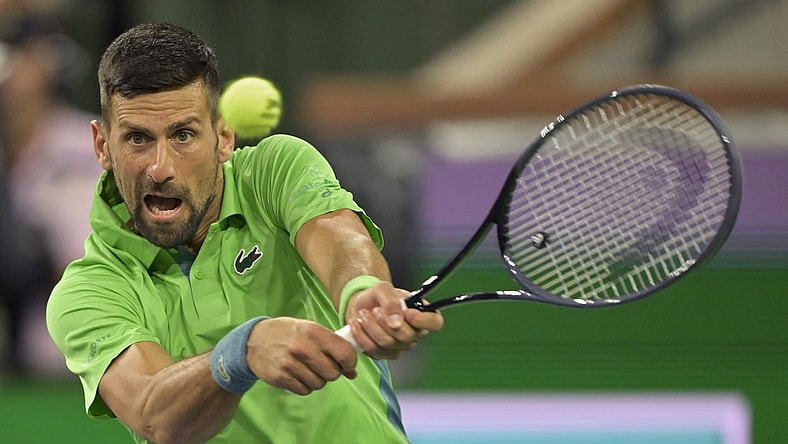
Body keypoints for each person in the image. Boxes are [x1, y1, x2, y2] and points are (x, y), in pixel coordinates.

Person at [45, 22, 443, 444]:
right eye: (138, 139)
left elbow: (337, 237)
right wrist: (239, 355)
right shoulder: (89, 290)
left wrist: (362, 291)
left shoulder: (275, 171)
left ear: (223, 138)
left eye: (183, 135)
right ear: (103, 145)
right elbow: (153, 415)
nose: (160, 168)